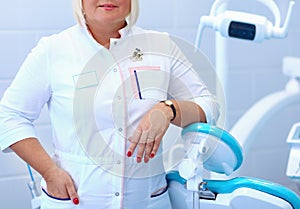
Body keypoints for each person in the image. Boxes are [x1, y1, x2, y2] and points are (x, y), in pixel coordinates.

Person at [0, 0, 219, 208]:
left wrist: (169, 109)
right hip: (76, 200)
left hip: (147, 200)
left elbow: (208, 105)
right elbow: (9, 116)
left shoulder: (160, 46)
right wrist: (49, 172)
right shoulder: (53, 50)